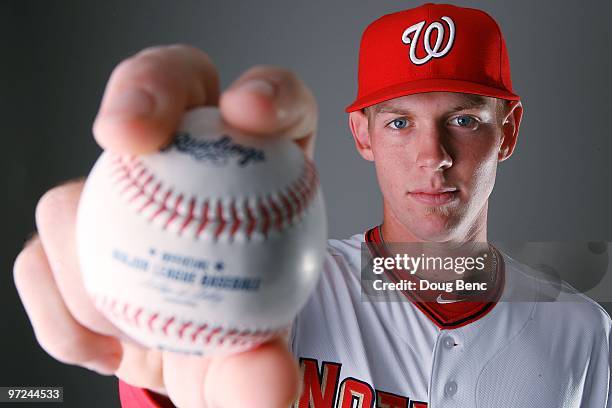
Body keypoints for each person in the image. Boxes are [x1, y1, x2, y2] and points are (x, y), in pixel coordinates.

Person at [13, 3, 611, 407]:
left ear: (507, 132)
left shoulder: (583, 331)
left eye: (464, 119)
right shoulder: (266, 294)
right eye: (400, 122)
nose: (434, 154)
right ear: (361, 134)